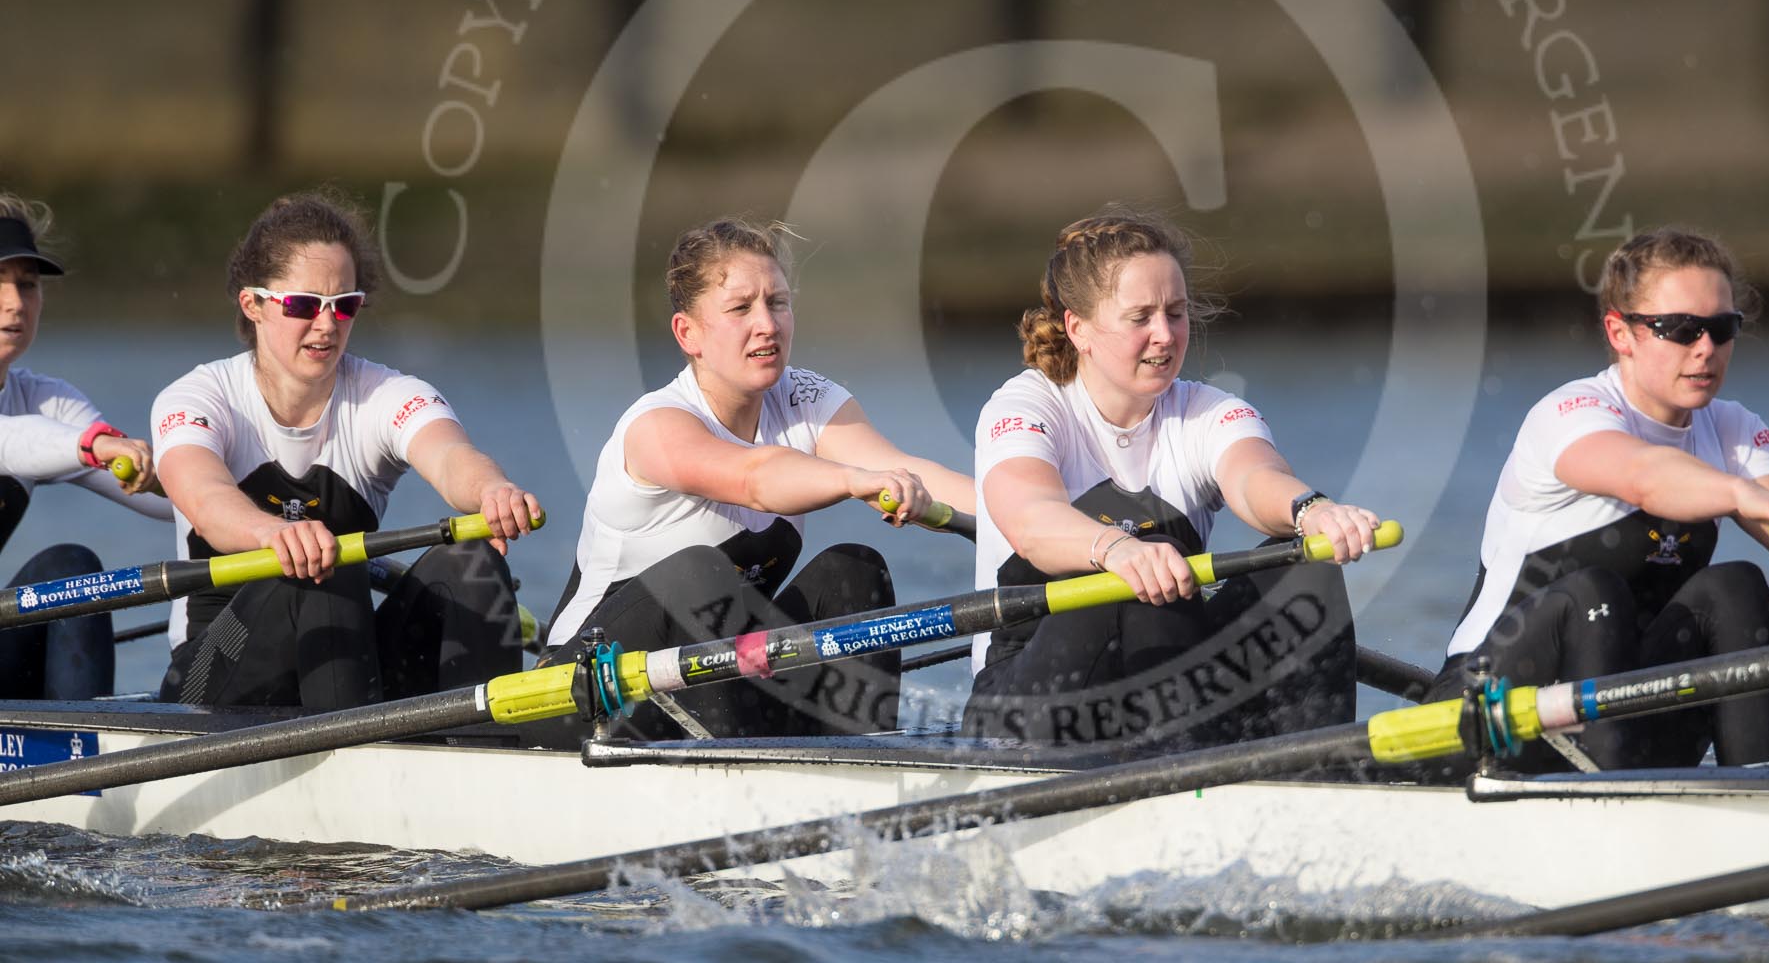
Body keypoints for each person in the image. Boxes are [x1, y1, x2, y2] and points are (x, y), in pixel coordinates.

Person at [1436, 227, 1769, 772]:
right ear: (1621, 332)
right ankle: (1613, 795)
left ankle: (1764, 788)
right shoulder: (1571, 413)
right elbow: (1645, 477)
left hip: (1626, 716)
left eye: (1722, 328)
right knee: (1595, 593)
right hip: (1490, 707)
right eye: (1680, 329)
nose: (1706, 349)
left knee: (1735, 585)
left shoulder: (1734, 429)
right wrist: (1740, 491)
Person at [964, 207, 1387, 751]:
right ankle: (1194, 769)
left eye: (1176, 313)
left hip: (1169, 687)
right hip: (1021, 701)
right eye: (1140, 317)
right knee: (1145, 561)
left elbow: (1254, 476)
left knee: (1302, 567)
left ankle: (1313, 775)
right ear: (1079, 329)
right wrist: (1115, 548)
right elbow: (1031, 520)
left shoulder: (1207, 412)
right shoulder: (1025, 407)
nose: (1165, 335)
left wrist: (1313, 511)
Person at [541, 218, 973, 741]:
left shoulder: (807, 399)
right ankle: (743, 773)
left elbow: (917, 474)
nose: (767, 324)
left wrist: (1060, 526)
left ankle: (865, 764)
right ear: (688, 333)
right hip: (585, 692)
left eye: (779, 303)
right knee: (699, 572)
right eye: (741, 308)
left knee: (853, 569)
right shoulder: (656, 427)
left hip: (715, 687)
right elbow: (755, 480)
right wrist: (856, 479)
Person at [153, 191, 539, 712]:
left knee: (472, 561)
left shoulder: (383, 394)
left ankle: (481, 745)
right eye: (305, 305)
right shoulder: (197, 398)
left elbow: (450, 456)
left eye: (344, 305)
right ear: (255, 305)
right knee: (326, 562)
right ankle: (359, 759)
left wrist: (491, 489)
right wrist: (274, 533)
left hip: (341, 661)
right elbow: (205, 495)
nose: (327, 325)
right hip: (210, 679)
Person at [0, 193, 173, 699]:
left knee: (70, 568)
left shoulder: (46, 400)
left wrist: (263, 508)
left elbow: (164, 500)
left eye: (27, 285)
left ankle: (83, 764)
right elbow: (12, 442)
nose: (14, 302)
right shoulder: (50, 427)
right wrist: (93, 444)